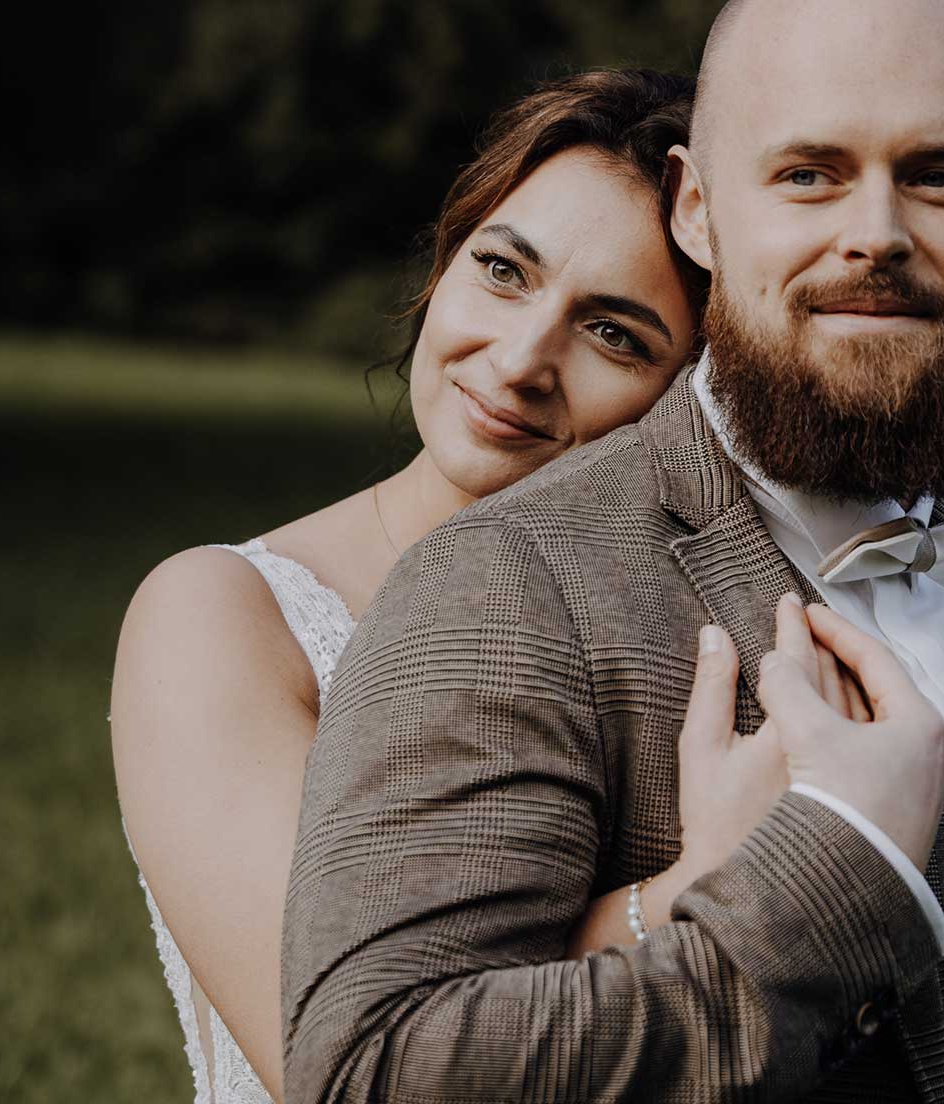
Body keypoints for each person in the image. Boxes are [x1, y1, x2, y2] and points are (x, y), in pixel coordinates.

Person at [282, 0, 944, 1103]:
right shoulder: (507, 587)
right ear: (699, 209)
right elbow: (373, 1071)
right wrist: (826, 882)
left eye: (942, 176)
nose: (878, 234)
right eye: (809, 174)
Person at [111, 69, 865, 1104]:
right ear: (445, 258)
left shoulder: (711, 641)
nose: (518, 361)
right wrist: (709, 888)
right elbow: (336, 1043)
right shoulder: (222, 615)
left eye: (614, 333)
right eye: (505, 270)